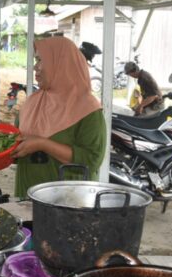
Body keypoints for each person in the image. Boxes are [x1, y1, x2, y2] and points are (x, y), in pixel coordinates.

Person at [12, 36, 107, 198]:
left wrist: (43, 144)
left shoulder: (88, 109)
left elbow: (92, 160)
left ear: (61, 63)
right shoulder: (32, 102)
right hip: (27, 198)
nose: (35, 67)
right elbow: (16, 143)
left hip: (67, 204)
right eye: (36, 60)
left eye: (40, 60)